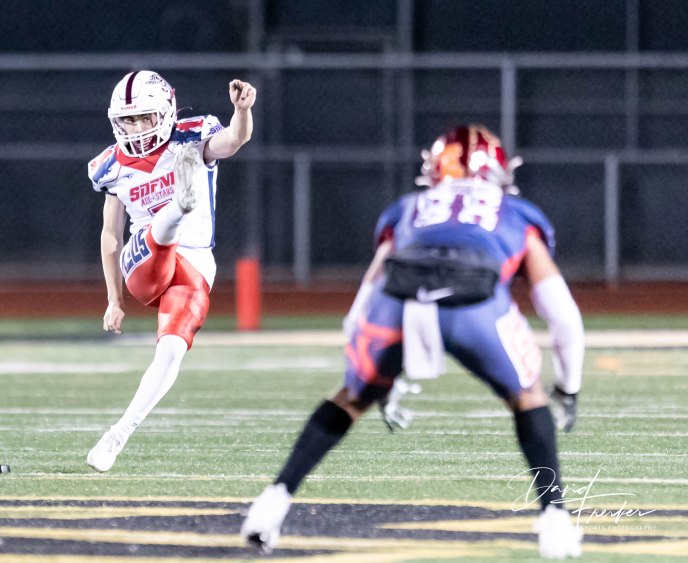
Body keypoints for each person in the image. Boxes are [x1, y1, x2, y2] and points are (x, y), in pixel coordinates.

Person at [241, 125, 586, 560]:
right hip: (474, 303)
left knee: (349, 398)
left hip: (398, 301)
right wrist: (569, 386)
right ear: (499, 172)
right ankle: (554, 520)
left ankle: (271, 504)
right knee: (528, 397)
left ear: (435, 169)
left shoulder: (409, 208)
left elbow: (359, 311)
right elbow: (563, 317)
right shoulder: (515, 213)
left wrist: (377, 378)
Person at [85, 70, 257, 472]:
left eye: (143, 117)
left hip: (195, 262)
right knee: (159, 232)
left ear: (165, 113)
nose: (135, 127)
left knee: (172, 350)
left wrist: (241, 110)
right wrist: (114, 299)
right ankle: (178, 207)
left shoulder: (191, 137)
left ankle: (118, 435)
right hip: (143, 260)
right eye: (127, 120)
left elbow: (234, 140)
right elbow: (111, 236)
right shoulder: (111, 165)